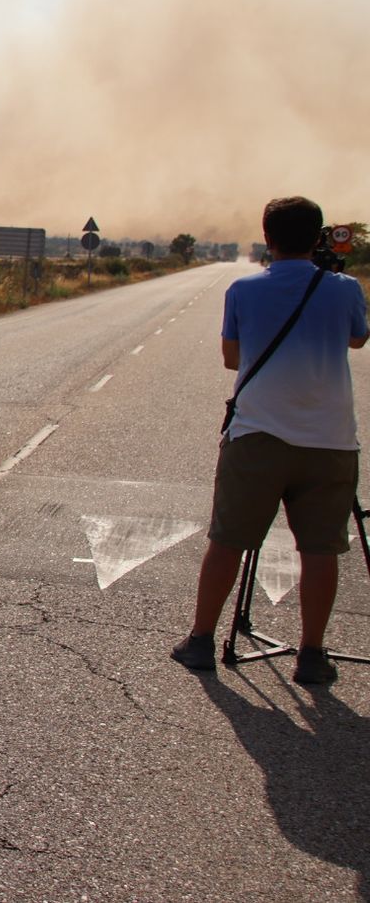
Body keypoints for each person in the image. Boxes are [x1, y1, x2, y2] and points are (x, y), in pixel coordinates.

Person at [171, 197, 368, 684]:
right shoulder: (344, 289)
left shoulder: (242, 290)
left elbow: (232, 360)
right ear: (319, 236)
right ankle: (312, 654)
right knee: (320, 550)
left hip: (257, 436)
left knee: (228, 541)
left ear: (268, 236)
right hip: (330, 442)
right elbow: (358, 340)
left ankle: (200, 642)